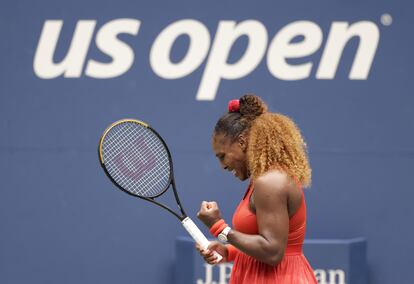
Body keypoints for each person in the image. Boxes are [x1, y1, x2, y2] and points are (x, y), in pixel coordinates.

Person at [197, 94, 317, 283]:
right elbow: (263, 243)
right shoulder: (262, 179)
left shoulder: (271, 182)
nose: (223, 166)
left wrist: (219, 227)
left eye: (223, 156)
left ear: (242, 142)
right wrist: (229, 252)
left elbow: (272, 252)